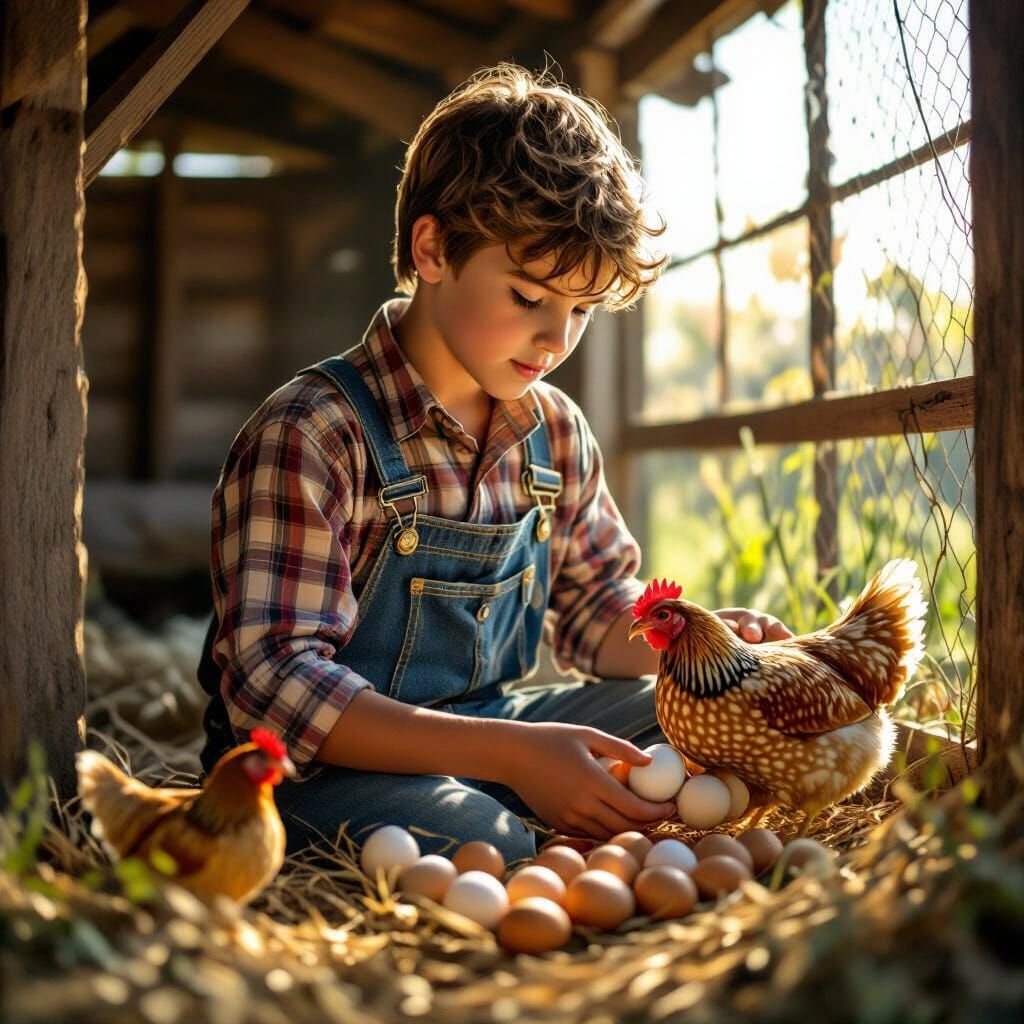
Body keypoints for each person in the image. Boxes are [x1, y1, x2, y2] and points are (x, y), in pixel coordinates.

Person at [196, 64, 791, 864]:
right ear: (434, 248)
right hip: (322, 769)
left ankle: (543, 804)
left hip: (506, 729)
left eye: (580, 310)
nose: (556, 340)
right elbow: (277, 688)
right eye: (527, 296)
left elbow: (591, 612)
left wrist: (701, 645)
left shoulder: (558, 434)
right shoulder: (313, 434)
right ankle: (526, 818)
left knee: (696, 727)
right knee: (482, 836)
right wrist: (513, 755)